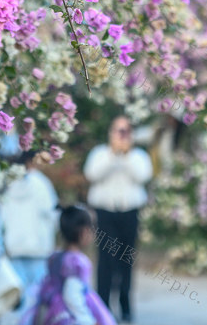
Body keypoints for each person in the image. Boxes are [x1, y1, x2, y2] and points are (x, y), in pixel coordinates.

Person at [83, 116, 153, 324]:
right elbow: (92, 174)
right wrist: (113, 155)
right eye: (118, 130)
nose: (122, 135)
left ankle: (125, 305)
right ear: (111, 132)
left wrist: (126, 155)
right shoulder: (100, 153)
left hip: (129, 213)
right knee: (105, 261)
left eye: (126, 131)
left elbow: (142, 176)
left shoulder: (138, 156)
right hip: (105, 213)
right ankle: (102, 307)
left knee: (126, 260)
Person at [18, 205, 116, 325]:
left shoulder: (55, 256)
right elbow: (72, 295)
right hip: (68, 316)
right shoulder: (78, 262)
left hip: (51, 311)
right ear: (84, 232)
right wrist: (87, 321)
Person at [1, 150, 59, 313]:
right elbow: (52, 213)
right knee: (38, 298)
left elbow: (1, 214)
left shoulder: (8, 184)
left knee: (19, 298)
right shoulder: (41, 183)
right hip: (38, 248)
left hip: (14, 247)